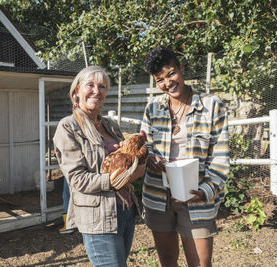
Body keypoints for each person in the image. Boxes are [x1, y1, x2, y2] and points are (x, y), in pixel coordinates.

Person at [141, 46, 229, 267]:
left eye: (171, 74)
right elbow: (146, 147)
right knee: (167, 261)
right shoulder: (153, 108)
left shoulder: (211, 106)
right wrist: (151, 159)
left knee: (199, 264)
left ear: (182, 68)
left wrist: (205, 192)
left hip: (196, 197)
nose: (167, 83)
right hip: (158, 196)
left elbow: (220, 157)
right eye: (160, 79)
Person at [53, 66, 146, 267]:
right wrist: (116, 180)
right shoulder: (68, 127)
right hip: (99, 218)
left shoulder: (110, 125)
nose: (97, 91)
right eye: (90, 85)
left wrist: (136, 162)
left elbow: (126, 162)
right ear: (76, 90)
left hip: (125, 210)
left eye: (102, 86)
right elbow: (77, 179)